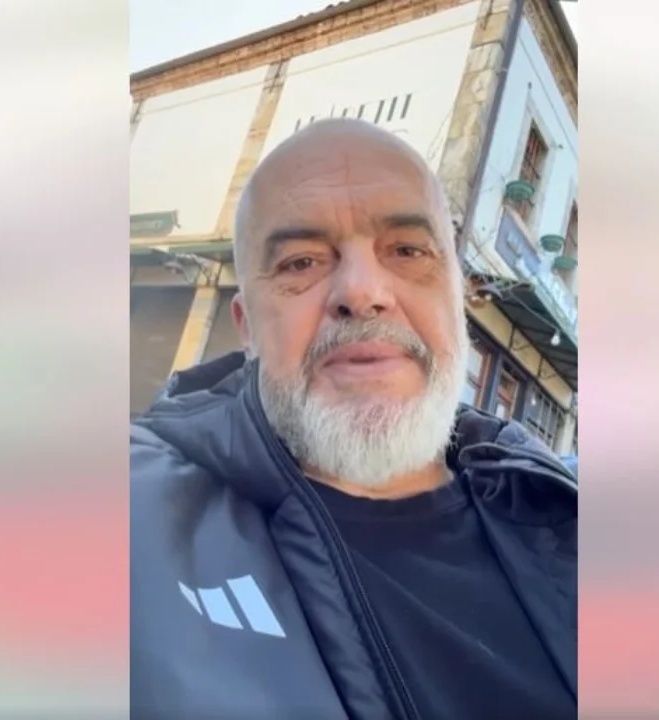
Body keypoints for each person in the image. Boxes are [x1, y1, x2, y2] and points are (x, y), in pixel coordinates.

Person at [131, 118, 576, 719]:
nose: (362, 292)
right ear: (246, 328)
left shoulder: (567, 515)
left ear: (460, 298)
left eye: (408, 251)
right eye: (300, 263)